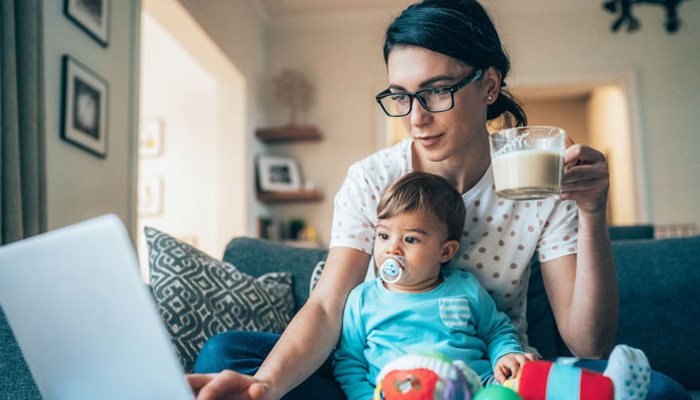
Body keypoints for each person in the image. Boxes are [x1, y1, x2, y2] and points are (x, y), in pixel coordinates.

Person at [187, 1, 689, 399]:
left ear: (489, 85)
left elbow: (589, 344)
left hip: (488, 381)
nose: (416, 118)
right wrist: (267, 385)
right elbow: (325, 306)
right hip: (379, 381)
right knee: (226, 355)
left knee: (661, 389)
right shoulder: (372, 178)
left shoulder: (539, 179)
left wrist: (592, 212)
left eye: (437, 91)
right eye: (401, 95)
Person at [333, 172, 534, 400]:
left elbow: (496, 332)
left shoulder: (465, 289)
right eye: (383, 235)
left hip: (473, 389)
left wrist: (506, 355)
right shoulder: (362, 300)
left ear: (446, 251)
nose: (392, 249)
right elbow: (350, 363)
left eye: (410, 239)